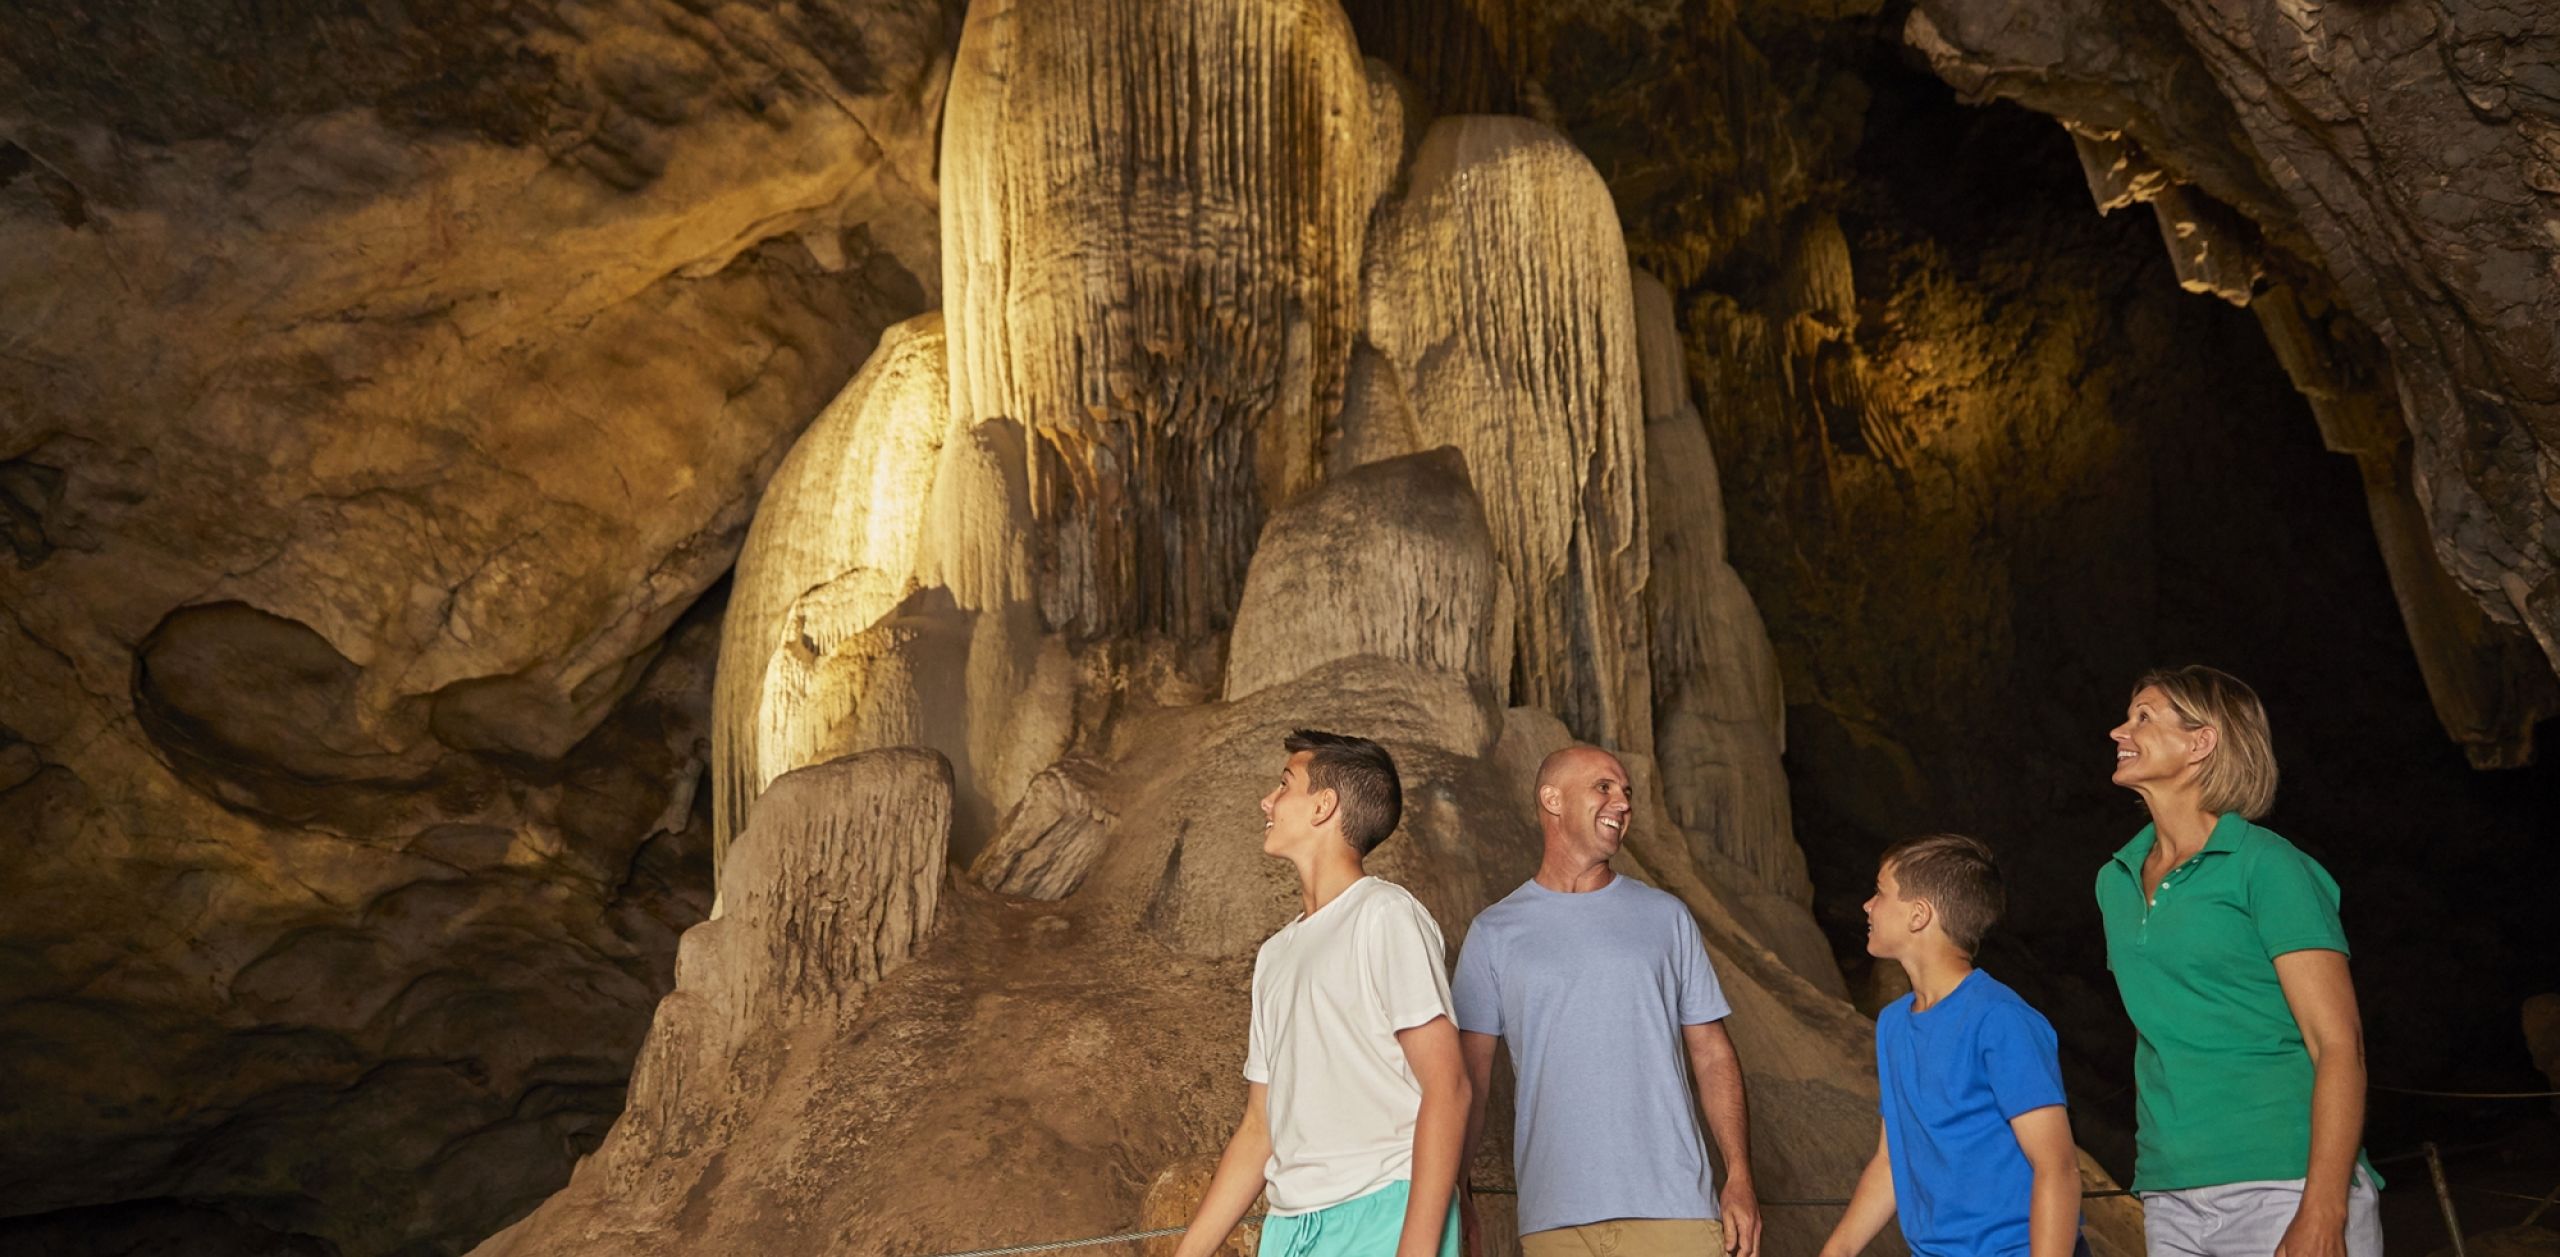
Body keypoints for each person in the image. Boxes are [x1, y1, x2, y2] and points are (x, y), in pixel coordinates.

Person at [2101, 666, 2380, 1257]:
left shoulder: (2268, 866)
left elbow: (2338, 1044)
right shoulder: (2114, 880)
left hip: (2284, 1181)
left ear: (2200, 742)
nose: (2119, 731)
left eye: (2143, 717)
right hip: (2169, 1190)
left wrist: (2324, 1209)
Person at [1452, 745, 1763, 1257]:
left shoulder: (1666, 916)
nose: (1622, 802)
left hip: (1675, 1212)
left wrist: (1740, 1177)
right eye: (1604, 787)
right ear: (1552, 800)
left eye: (1626, 792)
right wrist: (1458, 1189)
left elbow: (1712, 1052)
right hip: (1555, 1222)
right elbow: (1471, 1077)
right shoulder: (1494, 932)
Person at [1173, 730, 1471, 1257]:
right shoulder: (1275, 956)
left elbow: (1448, 1088)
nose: (1267, 801)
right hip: (1289, 1229)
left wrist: (1417, 1248)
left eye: (1284, 785)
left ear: (1323, 806)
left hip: (1381, 1214)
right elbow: (1259, 1129)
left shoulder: (1385, 916)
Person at [1817, 835, 2080, 1257]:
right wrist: (1837, 1251)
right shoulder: (1893, 1024)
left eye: (1880, 892)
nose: (1867, 905)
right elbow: (1891, 1161)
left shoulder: (2001, 1020)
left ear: (1919, 915)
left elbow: (2057, 1167)